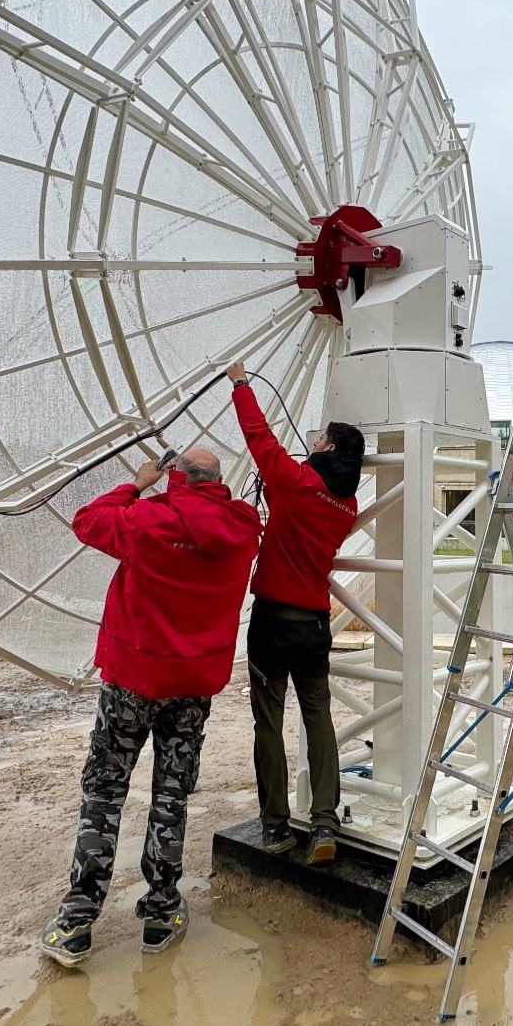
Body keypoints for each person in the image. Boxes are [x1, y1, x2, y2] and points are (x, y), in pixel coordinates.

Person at [39, 446, 261, 967]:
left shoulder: (144, 519)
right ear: (217, 480)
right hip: (192, 687)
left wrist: (136, 484)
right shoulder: (244, 529)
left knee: (105, 792)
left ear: (176, 478)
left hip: (132, 684)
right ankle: (162, 910)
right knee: (171, 795)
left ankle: (76, 921)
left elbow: (86, 521)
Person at [226, 359, 365, 867]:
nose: (314, 442)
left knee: (268, 722)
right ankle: (325, 821)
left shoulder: (296, 482)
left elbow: (259, 437)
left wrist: (241, 384)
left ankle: (276, 828)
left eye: (320, 438)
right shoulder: (345, 506)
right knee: (319, 716)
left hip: (272, 622)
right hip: (314, 626)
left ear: (328, 447)